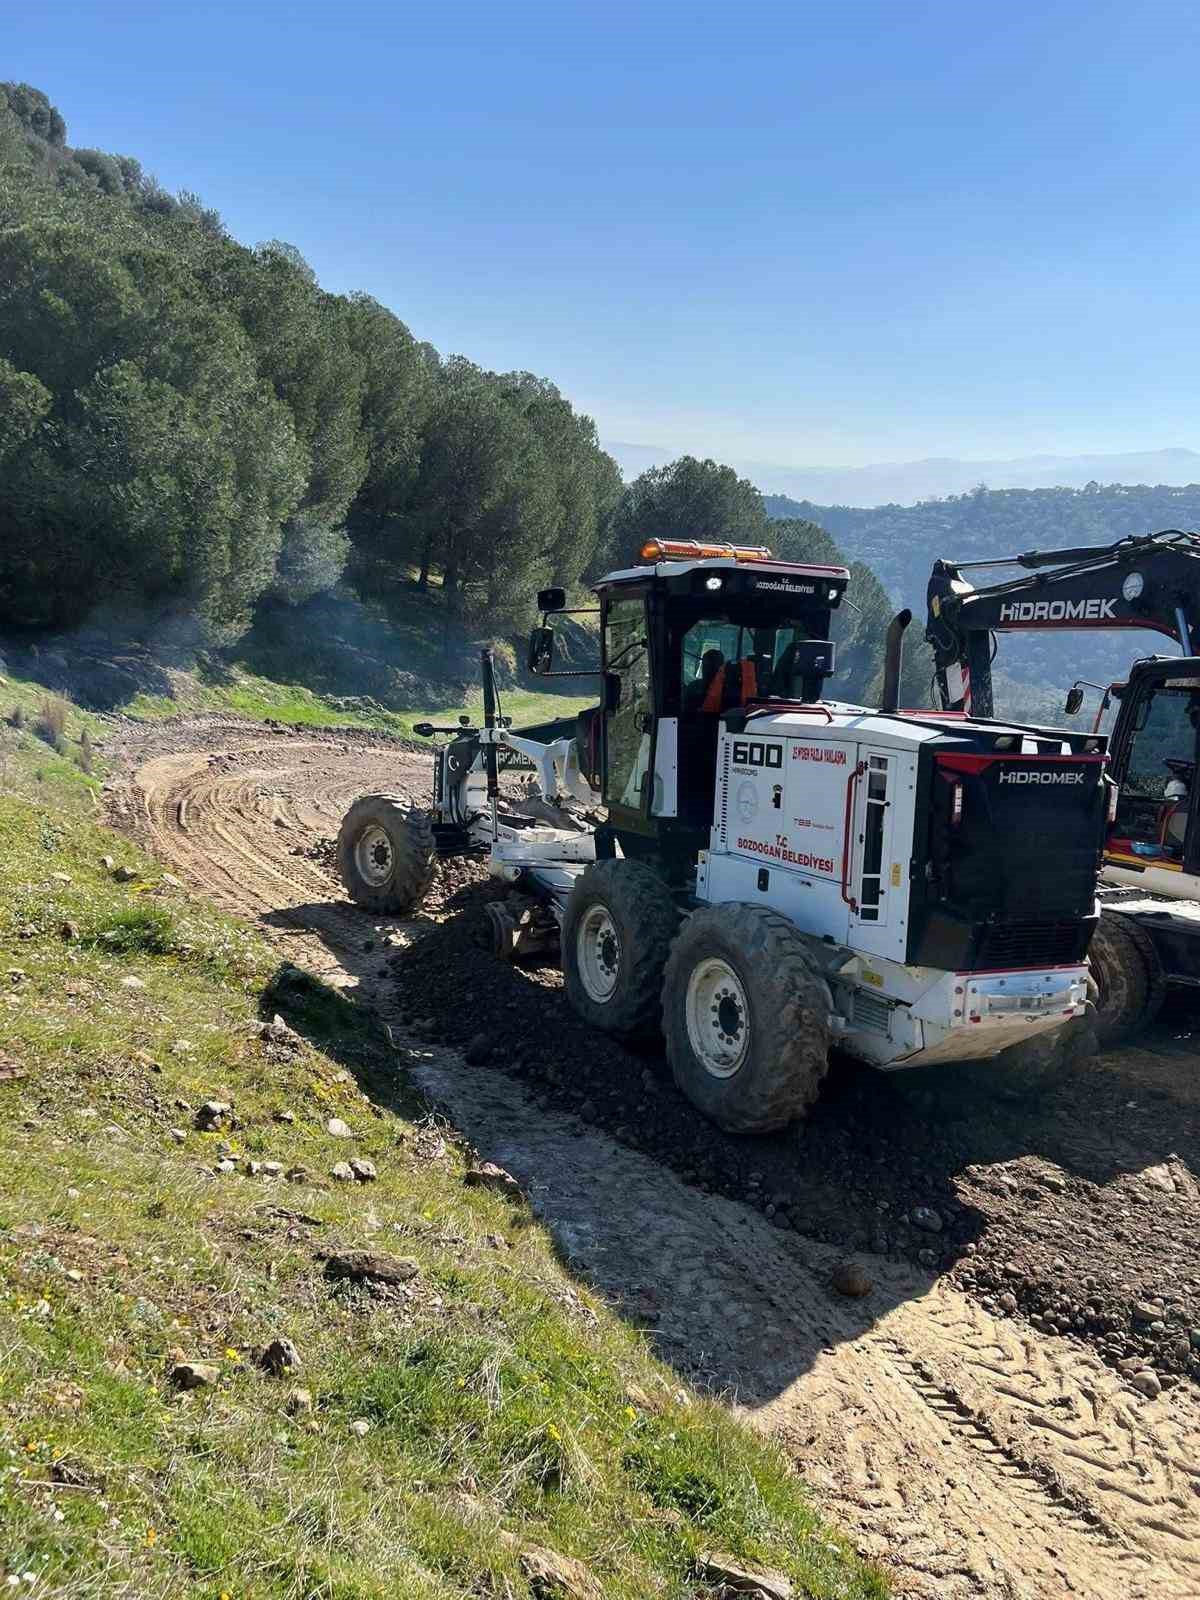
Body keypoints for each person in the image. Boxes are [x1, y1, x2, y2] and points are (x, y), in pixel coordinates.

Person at [684, 648, 725, 714]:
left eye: (711, 666)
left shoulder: (693, 687)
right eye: (706, 665)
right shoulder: (693, 687)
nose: (707, 670)